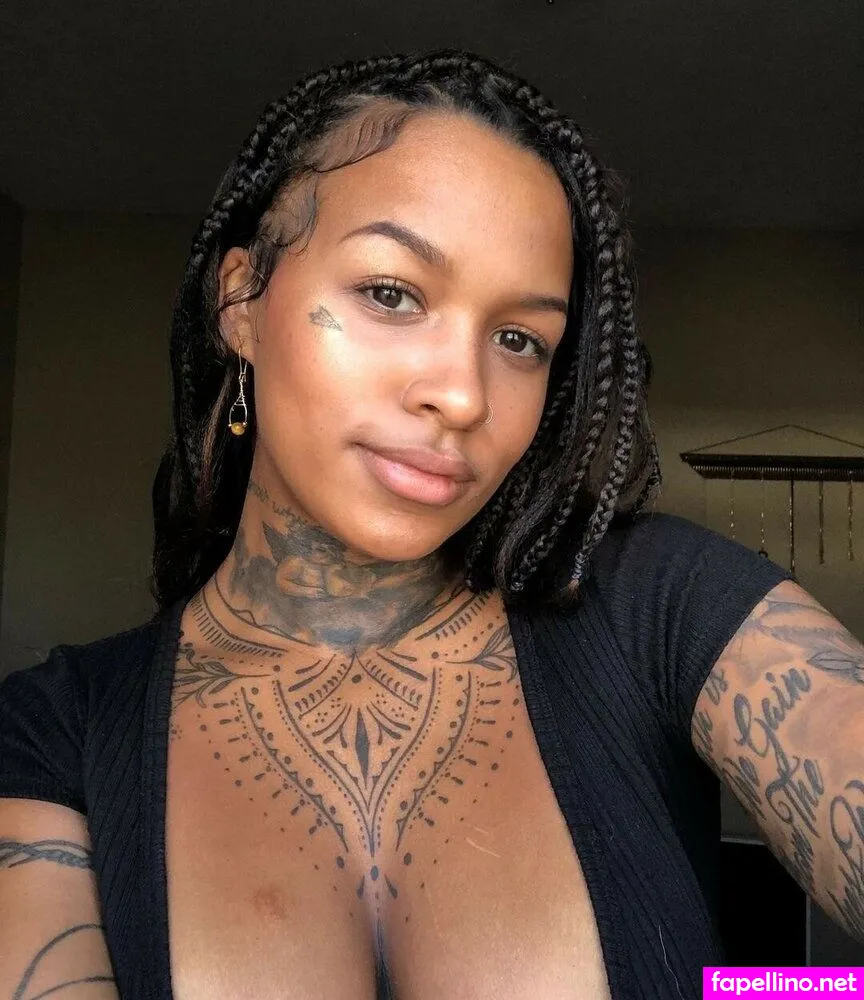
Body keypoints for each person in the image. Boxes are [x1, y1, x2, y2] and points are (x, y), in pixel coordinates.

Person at [1, 48, 861, 1000]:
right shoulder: (53, 734)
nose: (462, 394)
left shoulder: (663, 608)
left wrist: (782, 989)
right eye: (391, 293)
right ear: (241, 300)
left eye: (519, 340)